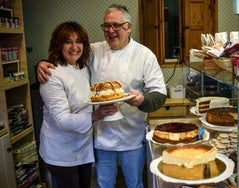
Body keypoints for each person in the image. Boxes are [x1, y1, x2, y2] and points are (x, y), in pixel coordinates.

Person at [37, 4, 167, 188]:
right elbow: (68, 56)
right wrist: (42, 63)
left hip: (131, 136)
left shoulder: (144, 55)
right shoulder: (95, 51)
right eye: (106, 26)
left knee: (134, 184)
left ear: (128, 27)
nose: (111, 31)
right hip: (101, 138)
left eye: (116, 25)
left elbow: (160, 94)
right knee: (104, 184)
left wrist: (143, 100)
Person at [38, 21, 117, 188]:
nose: (74, 47)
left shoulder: (82, 68)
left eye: (78, 41)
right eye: (68, 41)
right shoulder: (52, 74)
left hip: (82, 146)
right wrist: (96, 115)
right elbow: (61, 119)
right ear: (58, 45)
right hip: (61, 151)